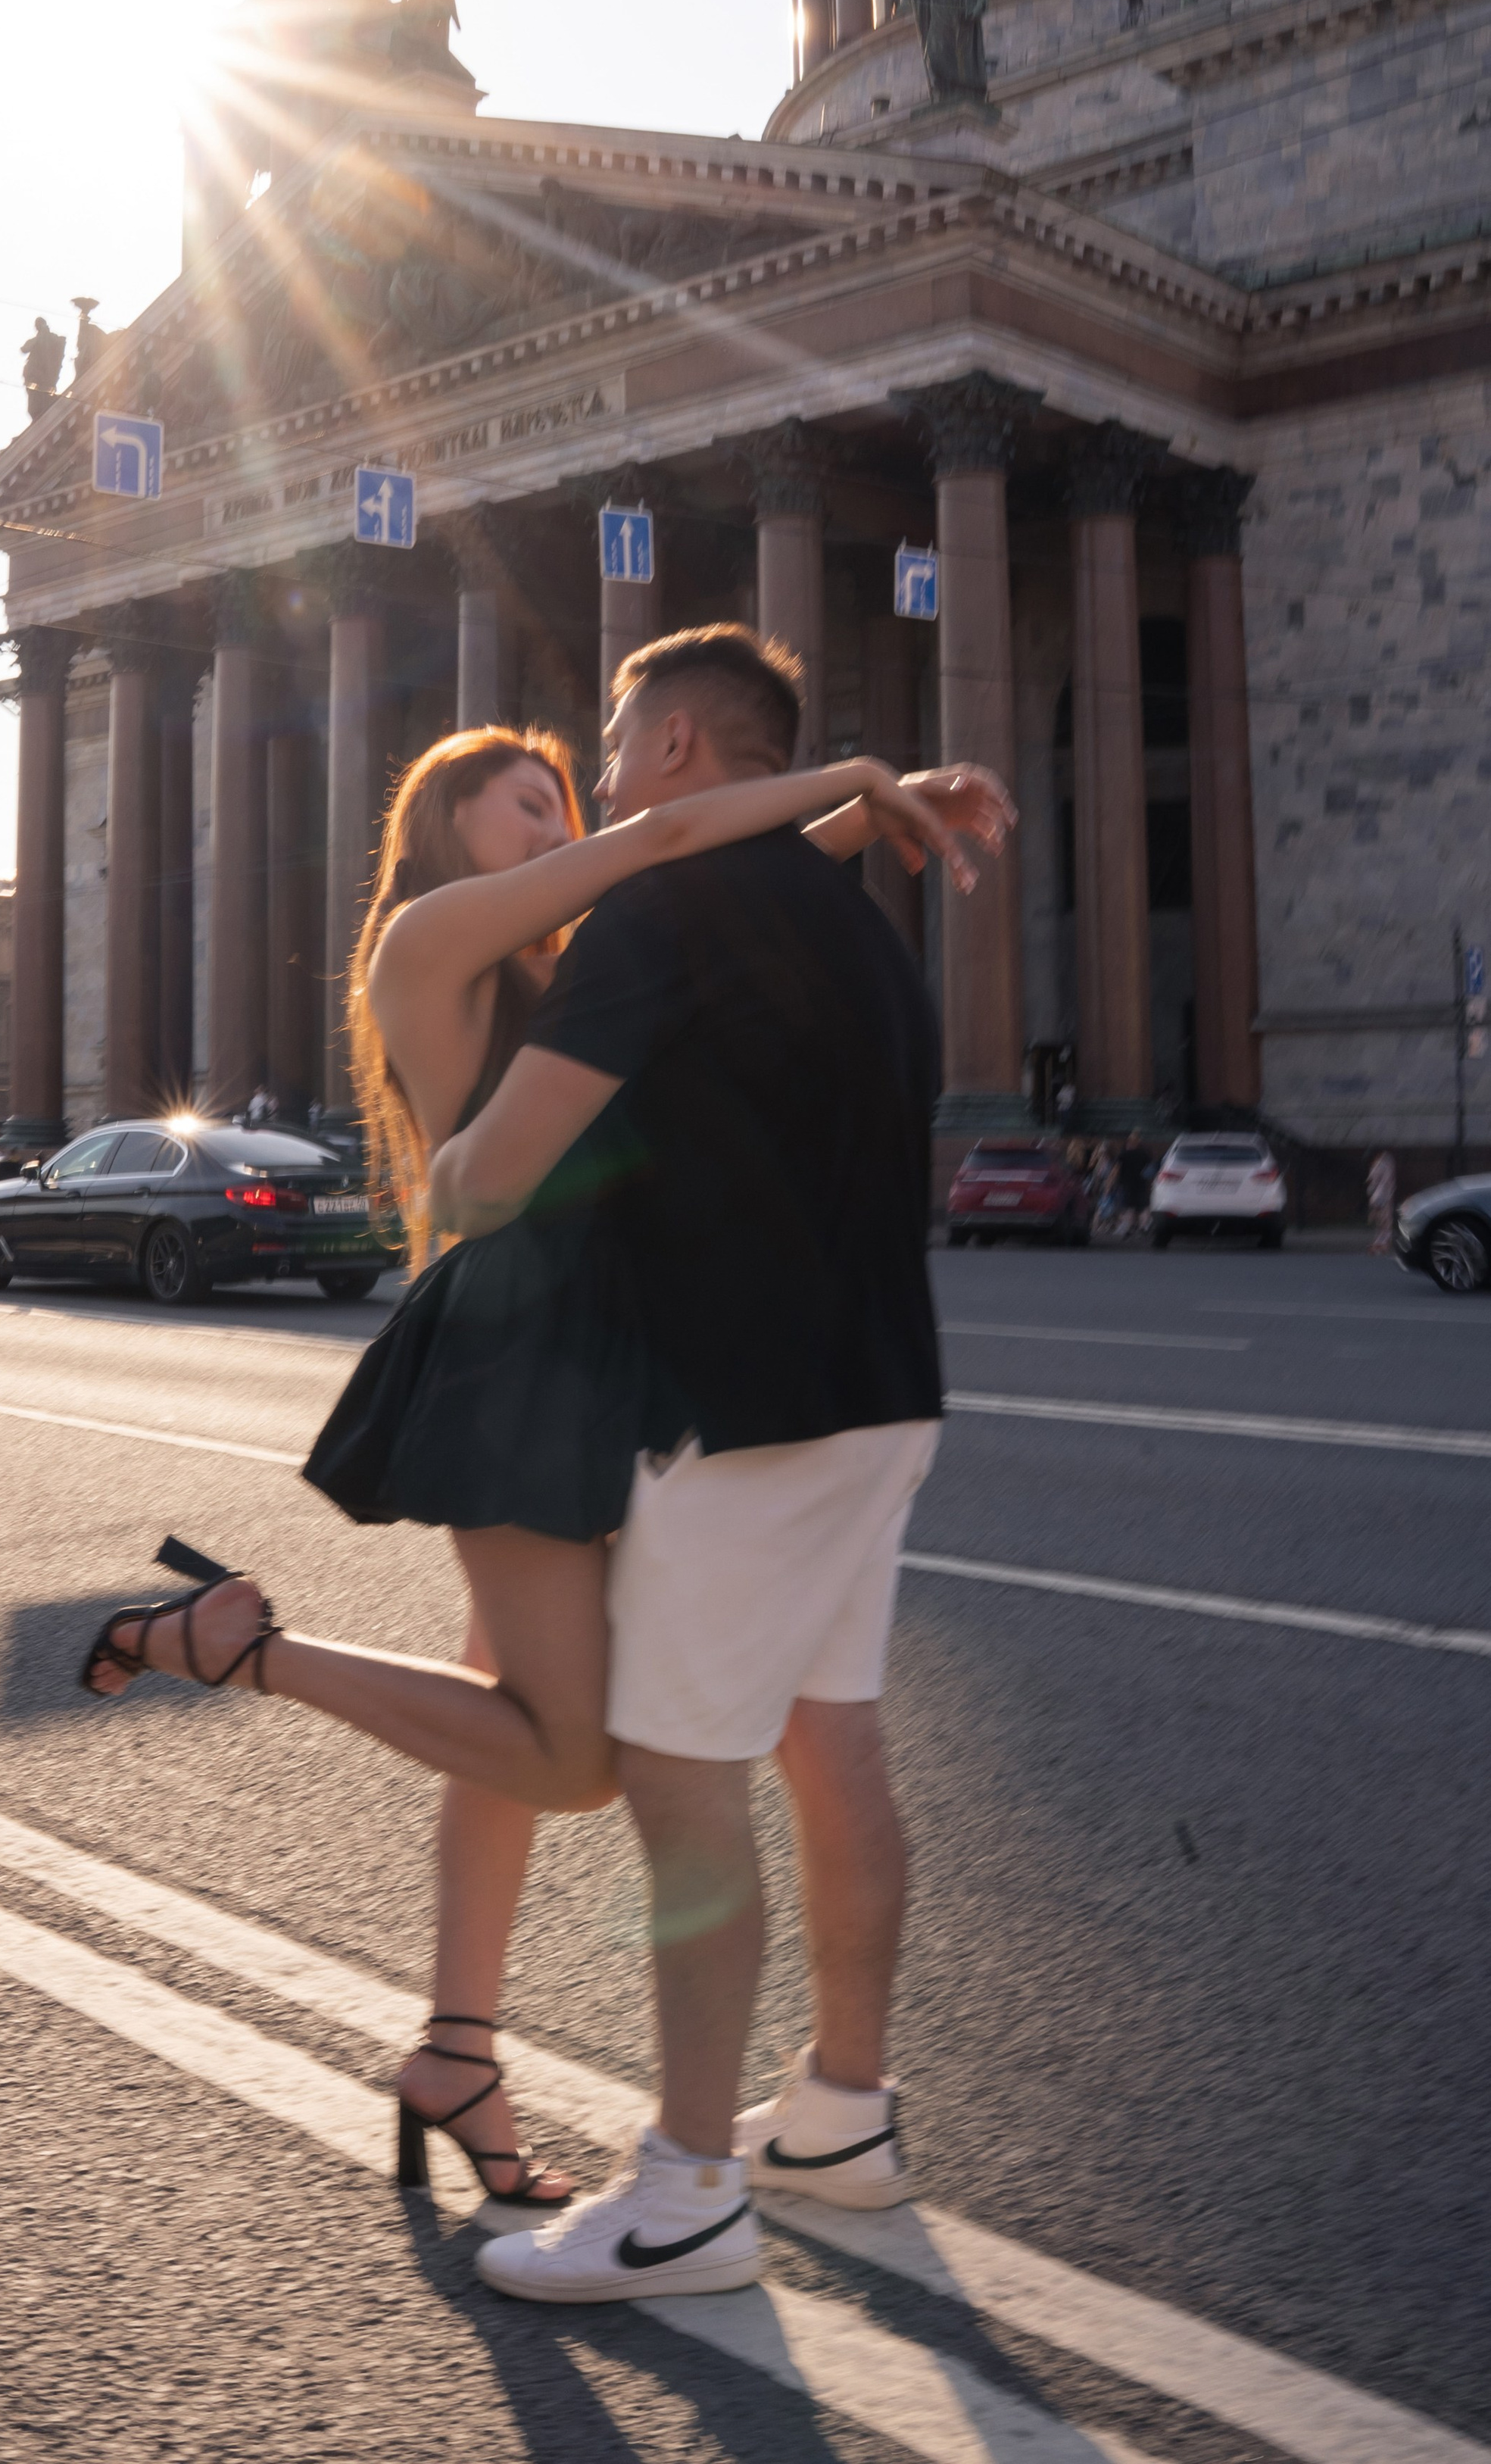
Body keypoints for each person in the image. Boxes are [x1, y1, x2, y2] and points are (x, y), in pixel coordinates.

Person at [80, 672, 1011, 2222]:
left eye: (569, 802)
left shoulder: (585, 949)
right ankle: (228, 1646)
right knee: (572, 1748)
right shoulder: (425, 941)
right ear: (448, 824)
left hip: (608, 1347)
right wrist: (856, 781)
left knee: (511, 1710)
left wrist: (853, 818)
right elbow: (692, 831)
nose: (564, 820)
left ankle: (456, 2046)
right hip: (517, 1345)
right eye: (526, 800)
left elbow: (710, 868)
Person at [404, 626, 964, 2303]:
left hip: (736, 1407)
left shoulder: (655, 916)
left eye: (609, 736)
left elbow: (494, 1179)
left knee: (678, 1778)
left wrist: (448, 1180)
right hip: (887, 1391)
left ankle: (688, 2192)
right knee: (830, 1737)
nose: (597, 763)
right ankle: (841, 2118)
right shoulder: (852, 928)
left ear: (661, 752)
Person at [1368, 1148, 1396, 1254]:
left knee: (1381, 1221)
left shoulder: (1378, 1165)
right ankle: (1384, 1242)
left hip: (1379, 1195)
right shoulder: (1387, 1163)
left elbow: (1373, 1181)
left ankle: (1381, 1241)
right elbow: (1388, 1181)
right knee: (1385, 1220)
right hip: (1384, 1195)